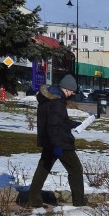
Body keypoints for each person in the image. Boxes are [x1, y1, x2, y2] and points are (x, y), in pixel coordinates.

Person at [28, 74, 85, 207]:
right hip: (60, 142)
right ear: (65, 89)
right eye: (71, 91)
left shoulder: (47, 98)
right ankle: (79, 203)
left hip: (49, 140)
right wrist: (58, 146)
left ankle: (33, 199)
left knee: (43, 168)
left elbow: (57, 121)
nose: (72, 94)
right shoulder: (57, 102)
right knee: (76, 169)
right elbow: (54, 126)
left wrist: (72, 123)